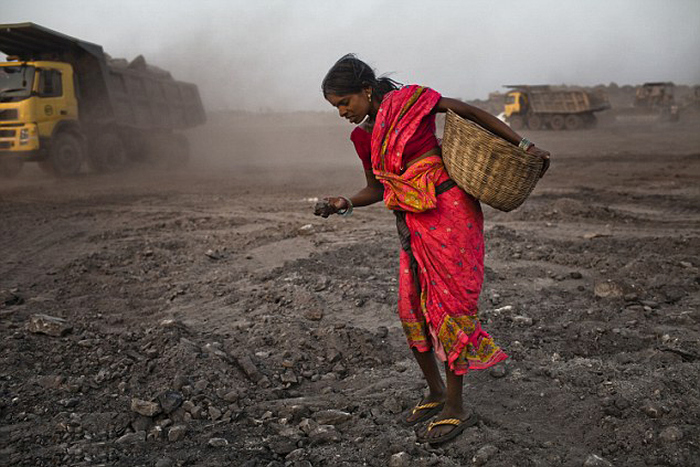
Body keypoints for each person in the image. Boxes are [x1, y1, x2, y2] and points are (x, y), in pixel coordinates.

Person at [314, 54, 550, 445]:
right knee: (413, 308)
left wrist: (525, 144)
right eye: (335, 107)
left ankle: (457, 407)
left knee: (450, 307)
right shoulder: (362, 137)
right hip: (410, 221)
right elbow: (377, 186)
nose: (341, 112)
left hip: (450, 212)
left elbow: (469, 111)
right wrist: (345, 202)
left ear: (366, 90)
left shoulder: (411, 101)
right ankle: (436, 392)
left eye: (344, 102)